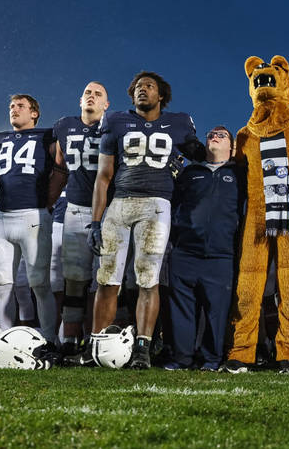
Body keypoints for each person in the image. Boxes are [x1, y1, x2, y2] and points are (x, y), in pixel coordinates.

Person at [88, 71, 205, 369]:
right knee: (106, 279)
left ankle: (143, 348)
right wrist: (96, 221)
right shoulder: (115, 121)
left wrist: (191, 152)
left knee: (148, 278)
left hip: (156, 204)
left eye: (149, 87)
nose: (142, 91)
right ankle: (97, 344)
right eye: (138, 87)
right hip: (121, 201)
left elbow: (201, 156)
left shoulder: (178, 123)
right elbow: (103, 177)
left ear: (161, 95)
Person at [164, 125, 245, 370]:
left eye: (222, 135)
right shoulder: (189, 173)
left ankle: (212, 359)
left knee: (217, 312)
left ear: (231, 148)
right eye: (211, 134)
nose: (215, 136)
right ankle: (182, 358)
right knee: (181, 310)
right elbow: (174, 205)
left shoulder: (241, 174)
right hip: (185, 252)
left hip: (222, 255)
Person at [0, 94, 63, 344]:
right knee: (0, 282)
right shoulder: (0, 139)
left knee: (39, 283)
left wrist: (47, 201)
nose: (14, 109)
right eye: (11, 106)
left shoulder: (47, 136)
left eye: (20, 106)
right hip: (2, 216)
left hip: (33, 214)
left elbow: (62, 168)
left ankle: (50, 339)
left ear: (34, 113)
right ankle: (3, 340)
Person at [50, 81, 109, 360]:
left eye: (98, 95)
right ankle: (71, 340)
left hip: (108, 211)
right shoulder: (64, 125)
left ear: (106, 105)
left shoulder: (115, 126)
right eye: (87, 92)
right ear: (79, 99)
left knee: (107, 280)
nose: (91, 97)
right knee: (74, 280)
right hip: (74, 207)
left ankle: (104, 339)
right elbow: (60, 165)